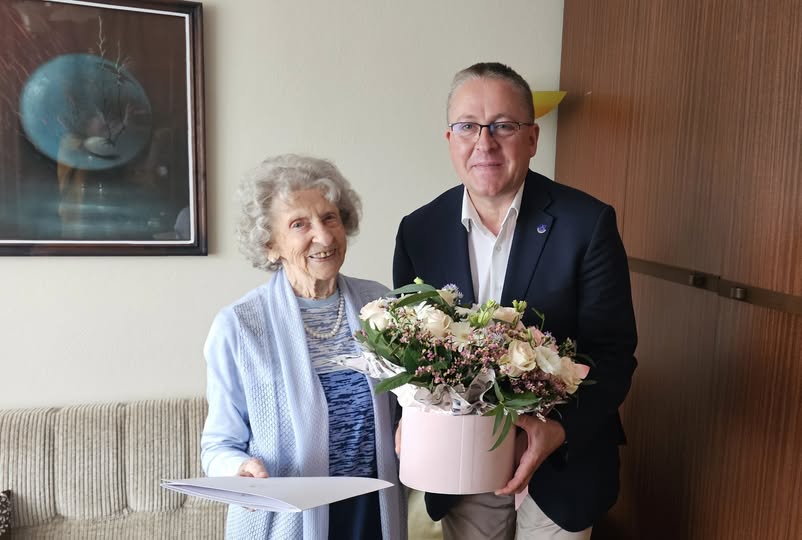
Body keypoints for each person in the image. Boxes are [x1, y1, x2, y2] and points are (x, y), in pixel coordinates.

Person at [393, 62, 638, 540]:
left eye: (503, 126)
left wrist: (558, 429)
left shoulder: (587, 224)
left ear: (532, 138)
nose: (484, 143)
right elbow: (409, 354)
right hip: (462, 463)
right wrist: (412, 415)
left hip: (562, 461)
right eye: (468, 126)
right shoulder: (419, 231)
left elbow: (613, 354)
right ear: (449, 139)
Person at [201, 154, 406, 540]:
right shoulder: (239, 327)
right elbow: (218, 445)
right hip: (286, 525)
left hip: (371, 515)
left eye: (330, 218)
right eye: (300, 224)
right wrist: (238, 470)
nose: (324, 237)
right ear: (270, 244)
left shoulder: (381, 305)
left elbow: (407, 407)